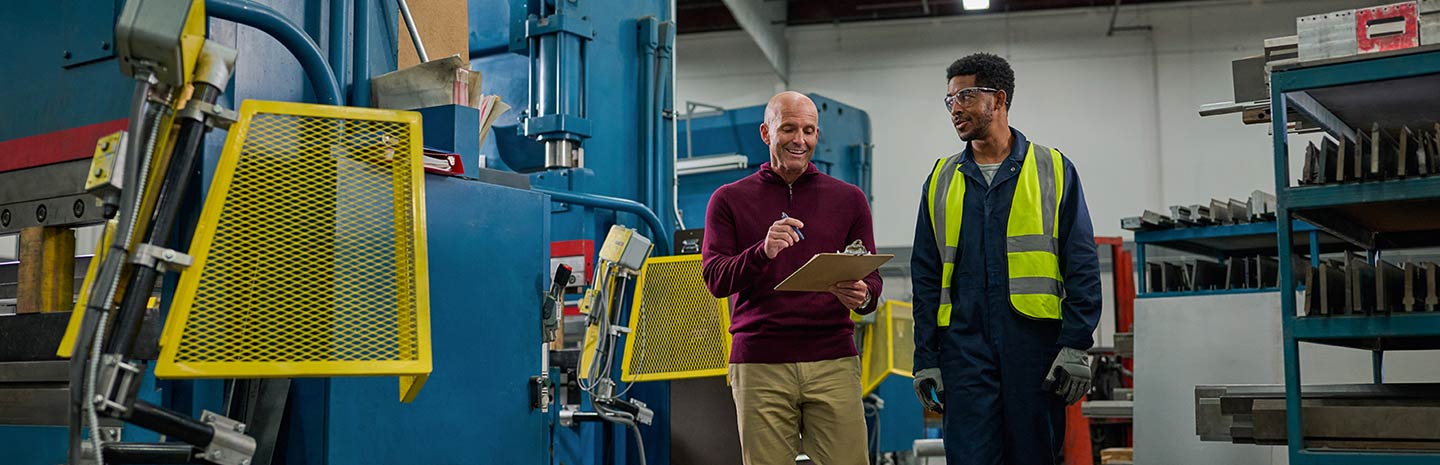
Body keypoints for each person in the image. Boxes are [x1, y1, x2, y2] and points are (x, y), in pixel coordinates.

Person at [909, 53, 1103, 465]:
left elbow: (1081, 263)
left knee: (1034, 455)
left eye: (964, 96)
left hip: (1035, 348)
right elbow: (925, 275)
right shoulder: (941, 179)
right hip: (963, 348)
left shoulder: (1052, 169)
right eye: (949, 100)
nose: (955, 108)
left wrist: (1075, 345)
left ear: (998, 100)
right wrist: (926, 357)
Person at [701, 91, 882, 465]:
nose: (800, 139)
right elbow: (715, 279)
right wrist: (762, 252)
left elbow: (871, 278)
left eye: (809, 130)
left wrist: (862, 295)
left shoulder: (849, 199)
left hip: (832, 358)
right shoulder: (728, 199)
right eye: (789, 129)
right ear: (766, 133)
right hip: (760, 363)